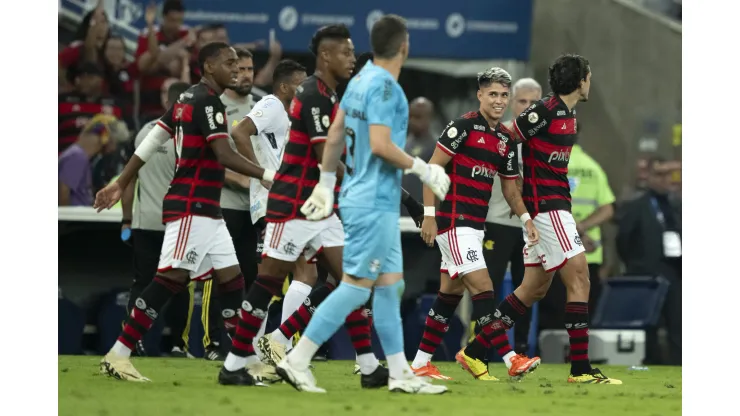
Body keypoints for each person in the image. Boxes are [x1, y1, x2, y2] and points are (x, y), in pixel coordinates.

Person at [277, 14, 450, 394]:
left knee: (390, 286)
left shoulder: (358, 82)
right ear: (404, 46)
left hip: (368, 198)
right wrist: (423, 168)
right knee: (355, 286)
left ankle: (400, 373)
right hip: (372, 201)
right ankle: (296, 357)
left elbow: (336, 131)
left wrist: (324, 183)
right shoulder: (387, 89)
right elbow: (380, 146)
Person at [216, 24, 387, 388]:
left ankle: (369, 368)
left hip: (318, 207)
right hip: (292, 205)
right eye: (345, 52)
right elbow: (324, 153)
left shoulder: (326, 94)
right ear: (326, 56)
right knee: (266, 283)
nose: (351, 58)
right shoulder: (312, 94)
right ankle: (234, 363)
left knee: (352, 280)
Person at [94, 42, 275, 385]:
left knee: (232, 280)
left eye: (239, 64)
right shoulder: (208, 102)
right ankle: (119, 354)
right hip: (192, 206)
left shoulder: (186, 99)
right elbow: (223, 154)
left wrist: (121, 181)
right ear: (208, 66)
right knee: (170, 279)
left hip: (207, 208)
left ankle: (242, 360)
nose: (236, 69)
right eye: (229, 63)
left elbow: (153, 139)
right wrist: (268, 176)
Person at [457, 54, 622, 384]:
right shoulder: (545, 110)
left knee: (532, 289)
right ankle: (580, 369)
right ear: (580, 80)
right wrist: (507, 175)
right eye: (588, 76)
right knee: (580, 280)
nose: (591, 82)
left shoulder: (569, 115)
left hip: (551, 208)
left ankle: (474, 351)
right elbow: (508, 136)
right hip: (547, 208)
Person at [412, 68, 541, 381]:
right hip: (454, 223)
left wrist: (526, 219)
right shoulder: (462, 127)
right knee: (484, 287)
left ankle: (419, 363)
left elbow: (511, 188)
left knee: (450, 294)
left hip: (475, 226)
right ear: (480, 95)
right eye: (492, 94)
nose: (498, 100)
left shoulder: (506, 140)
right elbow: (431, 171)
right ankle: (509, 358)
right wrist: (429, 215)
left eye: (503, 95)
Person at [227, 59, 315, 359]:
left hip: (290, 201)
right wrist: (259, 173)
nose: (304, 90)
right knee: (281, 277)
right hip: (273, 203)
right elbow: (240, 133)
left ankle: (267, 348)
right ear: (284, 86)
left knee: (290, 277)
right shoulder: (272, 104)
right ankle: (266, 348)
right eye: (300, 85)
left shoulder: (294, 115)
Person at [120, 81, 196, 358]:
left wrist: (126, 220)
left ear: (167, 99)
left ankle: (134, 341)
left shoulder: (144, 133)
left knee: (142, 282)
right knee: (179, 284)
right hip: (178, 222)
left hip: (144, 222)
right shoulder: (190, 134)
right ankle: (178, 344)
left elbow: (128, 181)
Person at [197, 48, 260, 361]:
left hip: (253, 209)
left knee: (248, 276)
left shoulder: (261, 109)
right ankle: (211, 343)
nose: (245, 74)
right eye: (239, 68)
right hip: (223, 204)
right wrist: (245, 179)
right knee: (216, 277)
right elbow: (212, 157)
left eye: (250, 69)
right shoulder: (213, 106)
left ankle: (240, 345)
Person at [476, 78, 542, 356]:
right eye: (522, 101)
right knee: (486, 286)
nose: (527, 108)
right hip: (497, 221)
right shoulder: (498, 135)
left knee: (526, 288)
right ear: (512, 102)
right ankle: (480, 347)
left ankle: (523, 348)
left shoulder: (542, 143)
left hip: (531, 227)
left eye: (533, 103)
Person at [539, 126, 616, 330]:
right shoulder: (593, 167)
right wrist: (582, 227)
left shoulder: (550, 164)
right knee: (583, 314)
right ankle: (579, 356)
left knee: (553, 316)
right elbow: (608, 209)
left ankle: (552, 357)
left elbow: (546, 204)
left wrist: (573, 229)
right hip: (588, 255)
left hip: (557, 252)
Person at [616, 156, 681, 365]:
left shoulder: (675, 207)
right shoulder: (637, 206)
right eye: (659, 175)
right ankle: (649, 364)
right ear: (649, 177)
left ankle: (678, 367)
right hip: (645, 273)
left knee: (677, 324)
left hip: (674, 273)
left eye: (667, 175)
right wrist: (636, 265)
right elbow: (623, 240)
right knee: (647, 325)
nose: (665, 180)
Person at [59, 115, 128, 206]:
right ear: (107, 138)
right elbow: (63, 193)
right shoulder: (77, 156)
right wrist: (66, 219)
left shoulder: (81, 157)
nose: (114, 150)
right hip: (74, 218)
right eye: (116, 143)